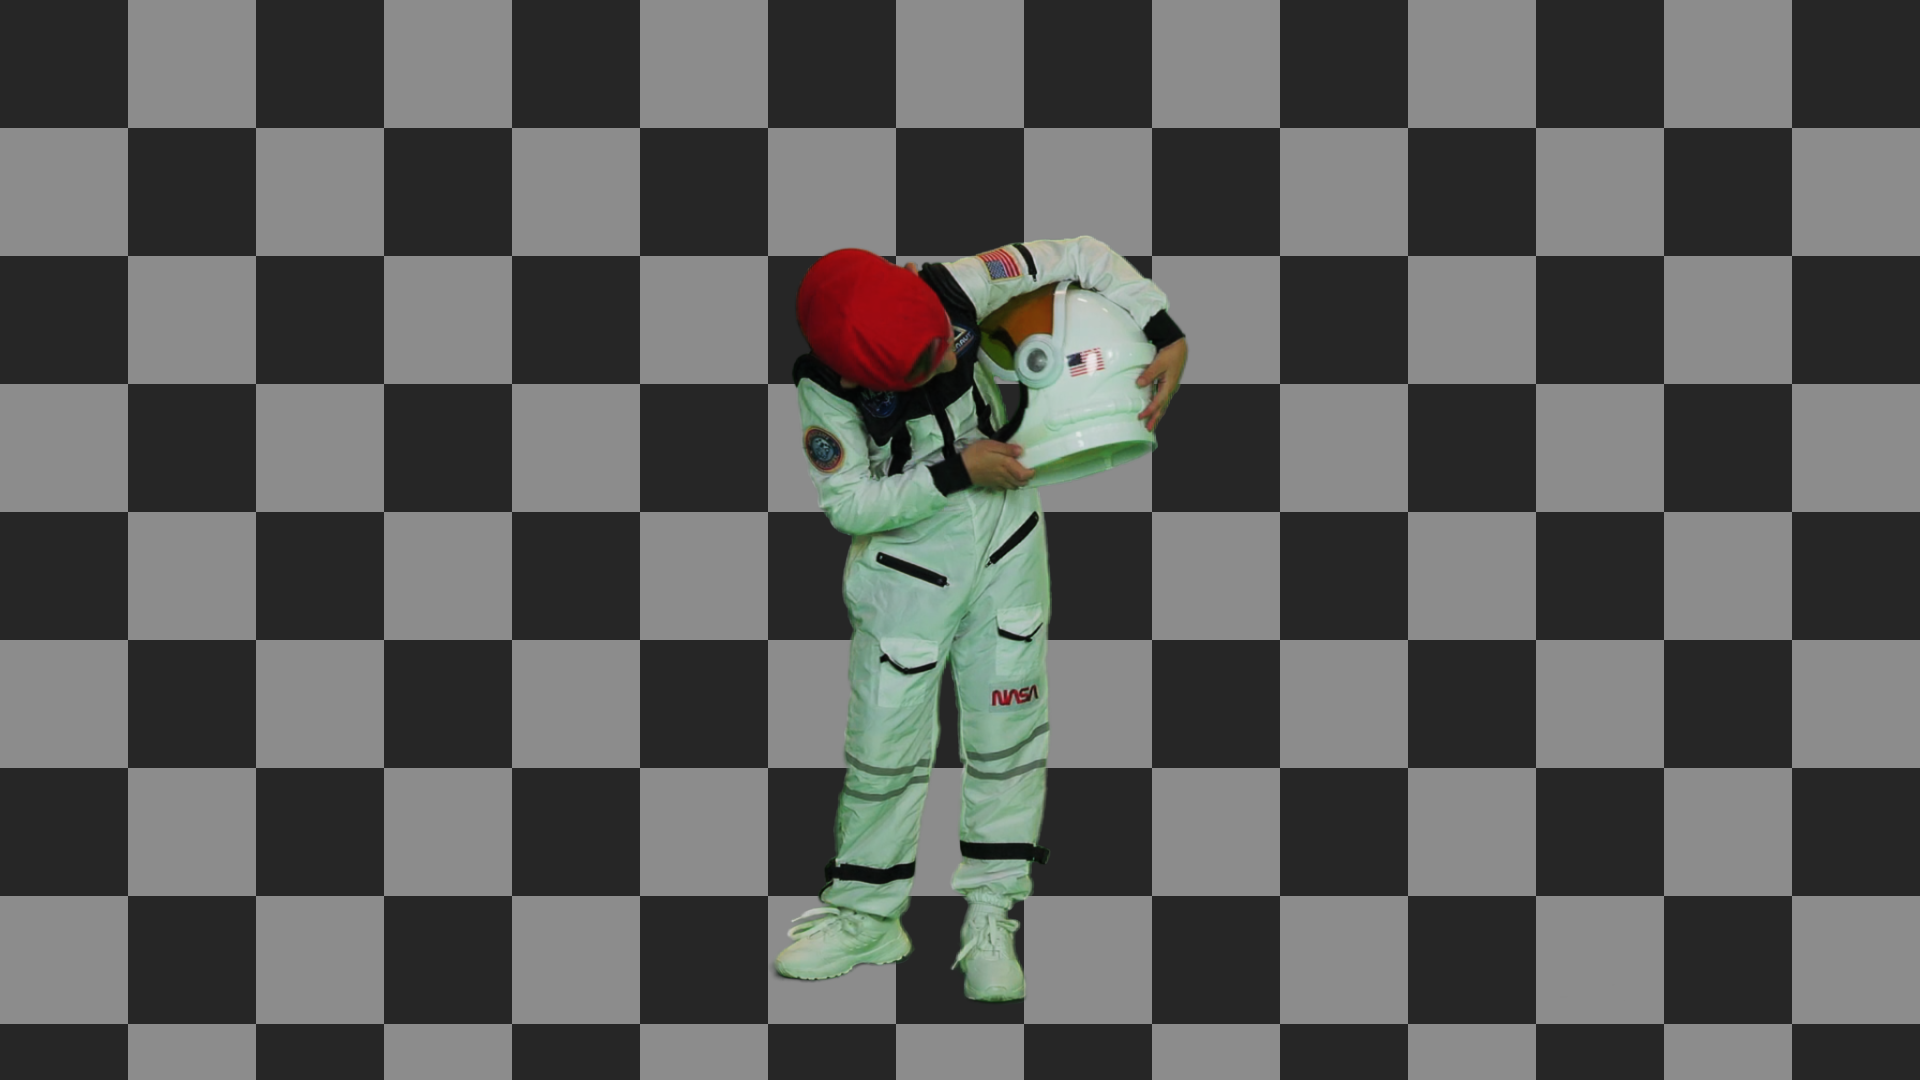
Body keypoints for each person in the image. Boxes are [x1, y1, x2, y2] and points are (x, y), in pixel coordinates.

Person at [776, 237, 1187, 1002]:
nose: (947, 361)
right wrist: (956, 471)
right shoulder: (825, 387)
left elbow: (1085, 255)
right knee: (882, 752)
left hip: (1007, 549)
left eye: (942, 345)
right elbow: (850, 505)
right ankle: (867, 917)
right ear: (860, 377)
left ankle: (993, 915)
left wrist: (1162, 330)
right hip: (904, 577)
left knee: (1008, 739)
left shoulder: (959, 285)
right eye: (921, 366)